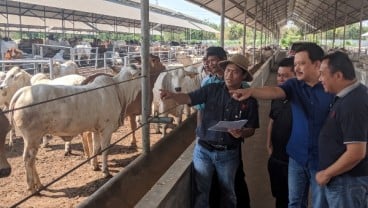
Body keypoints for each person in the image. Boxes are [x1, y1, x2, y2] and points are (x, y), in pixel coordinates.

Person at [230, 43, 333, 208]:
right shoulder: (294, 85)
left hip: (322, 160)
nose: (297, 68)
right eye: (296, 64)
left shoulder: (332, 88)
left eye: (302, 63)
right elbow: (274, 91)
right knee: (294, 202)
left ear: (317, 64)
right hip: (297, 157)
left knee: (320, 203)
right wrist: (252, 91)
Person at [160, 54, 259, 207]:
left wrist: (241, 132)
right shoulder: (211, 89)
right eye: (227, 70)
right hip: (203, 150)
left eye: (234, 72)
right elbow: (188, 98)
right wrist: (173, 95)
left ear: (243, 75)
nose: (229, 75)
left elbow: (251, 129)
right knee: (201, 191)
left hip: (228, 153)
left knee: (228, 192)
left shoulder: (250, 100)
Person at [316, 51, 368, 207]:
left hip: (347, 182)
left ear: (338, 75)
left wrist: (326, 173)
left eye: (322, 74)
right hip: (343, 180)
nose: (320, 79)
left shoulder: (353, 105)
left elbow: (356, 152)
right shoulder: (352, 95)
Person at [266, 57, 295, 208]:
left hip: (294, 160)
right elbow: (272, 121)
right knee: (279, 195)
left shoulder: (300, 100)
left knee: (294, 198)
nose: (280, 79)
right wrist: (268, 144)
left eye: (286, 75)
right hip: (276, 157)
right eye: (279, 75)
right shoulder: (276, 97)